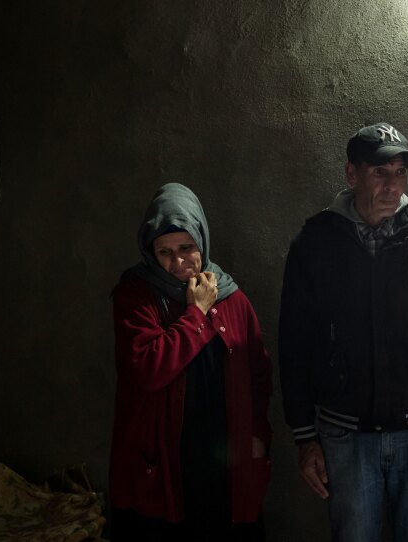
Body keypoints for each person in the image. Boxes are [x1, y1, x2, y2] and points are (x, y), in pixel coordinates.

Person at [279, 122, 408, 541]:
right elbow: (294, 344)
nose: (391, 185)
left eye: (400, 172)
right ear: (352, 173)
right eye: (379, 172)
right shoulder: (315, 244)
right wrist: (304, 435)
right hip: (343, 435)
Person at [109, 183, 273, 541]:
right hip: (165, 458)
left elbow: (259, 373)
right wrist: (196, 312)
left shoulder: (231, 297)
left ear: (202, 240)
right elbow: (148, 370)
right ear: (150, 252)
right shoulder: (136, 294)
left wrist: (259, 433)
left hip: (221, 455)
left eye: (187, 248)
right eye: (164, 251)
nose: (178, 262)